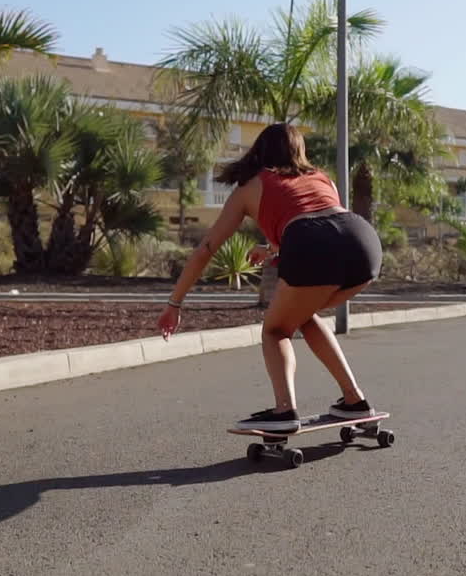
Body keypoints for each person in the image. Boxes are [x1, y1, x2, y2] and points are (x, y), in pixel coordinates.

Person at [158, 123, 383, 433]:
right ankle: (354, 400)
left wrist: (174, 303)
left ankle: (284, 410)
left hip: (315, 243)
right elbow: (324, 221)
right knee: (302, 315)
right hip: (364, 245)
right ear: (299, 151)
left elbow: (205, 251)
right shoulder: (321, 177)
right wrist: (272, 248)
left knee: (276, 330)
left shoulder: (250, 187)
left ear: (260, 151)